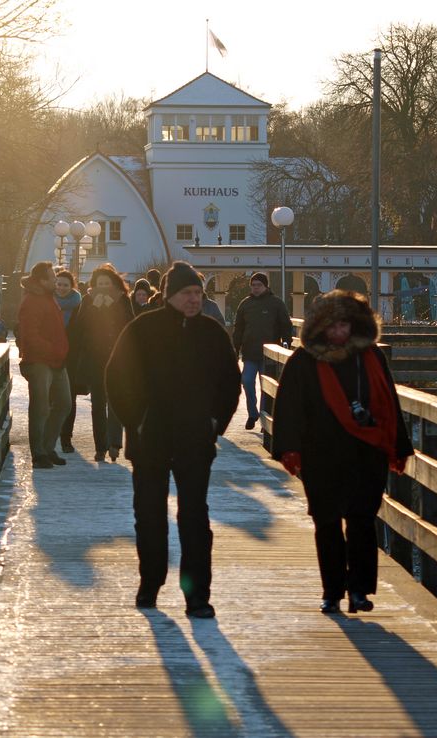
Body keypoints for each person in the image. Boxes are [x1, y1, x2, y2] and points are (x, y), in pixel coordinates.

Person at [106, 261, 240, 618]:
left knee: (194, 517)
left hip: (196, 439)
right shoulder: (143, 329)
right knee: (149, 514)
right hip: (150, 438)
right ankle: (150, 583)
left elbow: (230, 383)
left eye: (198, 293)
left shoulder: (212, 333)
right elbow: (116, 377)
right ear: (170, 295)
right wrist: (136, 422)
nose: (194, 299)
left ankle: (197, 596)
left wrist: (216, 424)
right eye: (186, 293)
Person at [271, 290, 413, 615]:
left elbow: (389, 402)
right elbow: (289, 407)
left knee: (362, 521)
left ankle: (360, 591)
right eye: (332, 326)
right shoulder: (304, 361)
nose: (339, 333)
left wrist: (399, 447)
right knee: (328, 522)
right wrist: (289, 448)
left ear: (355, 325)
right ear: (320, 327)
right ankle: (332, 592)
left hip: (366, 453)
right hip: (322, 455)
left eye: (344, 325)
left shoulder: (371, 358)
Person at [68, 264, 134, 461]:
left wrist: (112, 307)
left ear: (114, 283)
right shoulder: (88, 300)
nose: (103, 286)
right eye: (100, 283)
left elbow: (130, 324)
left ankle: (114, 443)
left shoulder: (122, 300)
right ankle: (100, 446)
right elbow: (79, 327)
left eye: (107, 283)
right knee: (98, 404)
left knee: (114, 402)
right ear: (94, 284)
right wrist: (95, 307)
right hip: (95, 359)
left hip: (117, 358)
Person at [19, 261, 72, 469]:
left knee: (64, 403)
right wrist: (53, 349)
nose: (56, 281)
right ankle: (39, 453)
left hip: (56, 360)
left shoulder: (49, 299)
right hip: (39, 361)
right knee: (40, 407)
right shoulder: (32, 301)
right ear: (42, 281)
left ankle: (48, 447)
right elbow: (30, 335)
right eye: (52, 278)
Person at [233, 272, 292, 429]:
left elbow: (286, 325)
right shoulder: (245, 304)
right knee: (246, 381)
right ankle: (253, 414)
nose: (256, 288)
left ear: (266, 286)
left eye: (259, 285)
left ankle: (264, 417)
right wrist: (235, 347)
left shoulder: (276, 303)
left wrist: (287, 342)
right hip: (250, 353)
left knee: (265, 386)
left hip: (269, 355)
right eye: (253, 285)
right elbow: (238, 328)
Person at [54, 269, 82, 453]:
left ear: (71, 287)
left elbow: (83, 331)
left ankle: (66, 437)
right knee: (51, 397)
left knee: (69, 397)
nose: (61, 288)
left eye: (65, 285)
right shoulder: (48, 302)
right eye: (58, 284)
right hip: (51, 355)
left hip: (72, 357)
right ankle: (53, 433)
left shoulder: (78, 305)